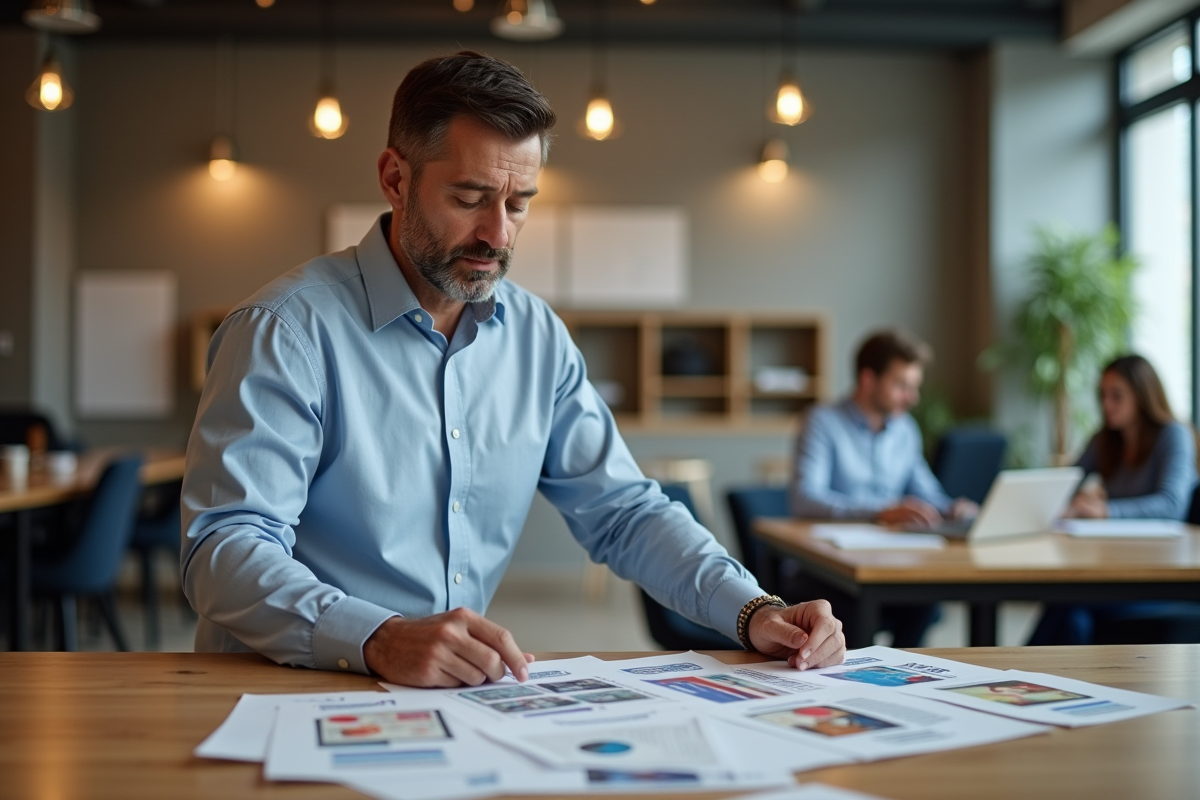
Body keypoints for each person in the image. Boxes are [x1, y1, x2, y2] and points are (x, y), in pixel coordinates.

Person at [181, 51, 845, 688]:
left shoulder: (536, 337)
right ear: (394, 177)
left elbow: (623, 510)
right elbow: (224, 548)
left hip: (445, 700)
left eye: (520, 202)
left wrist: (753, 609)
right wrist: (377, 636)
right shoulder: (285, 331)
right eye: (470, 197)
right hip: (279, 689)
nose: (498, 234)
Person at [790, 330, 977, 646]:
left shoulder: (905, 429)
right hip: (830, 568)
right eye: (901, 385)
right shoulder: (822, 422)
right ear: (868, 379)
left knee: (927, 596)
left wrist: (952, 507)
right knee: (850, 607)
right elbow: (805, 499)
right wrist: (880, 511)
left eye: (913, 387)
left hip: (892, 560)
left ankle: (901, 678)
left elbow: (926, 490)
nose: (912, 397)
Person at [1029, 354, 1198, 645]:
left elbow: (1172, 506)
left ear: (1142, 396)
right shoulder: (1106, 439)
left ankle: (1019, 675)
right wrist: (1063, 505)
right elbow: (1066, 482)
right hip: (1117, 569)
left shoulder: (1173, 435)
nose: (1106, 404)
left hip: (1161, 577)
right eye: (1103, 395)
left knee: (1068, 605)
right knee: (1069, 610)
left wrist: (1106, 510)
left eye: (1116, 396)